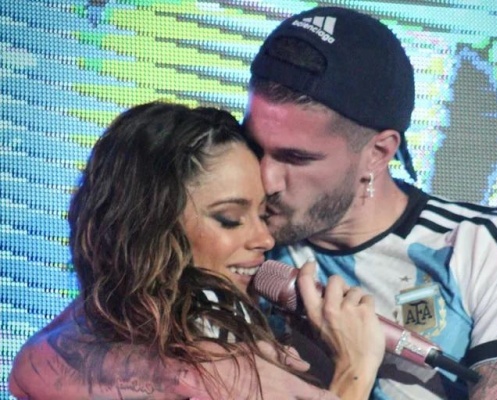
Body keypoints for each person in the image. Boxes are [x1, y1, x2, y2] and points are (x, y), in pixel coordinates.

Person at [242, 6, 497, 400]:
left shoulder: (495, 247)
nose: (266, 179)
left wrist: (354, 368)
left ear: (378, 153)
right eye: (254, 146)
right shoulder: (235, 246)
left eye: (296, 158)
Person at [8, 102, 386, 400]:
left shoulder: (115, 321)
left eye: (262, 215)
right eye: (229, 219)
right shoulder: (213, 336)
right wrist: (355, 371)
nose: (265, 239)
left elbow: (29, 367)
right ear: (152, 227)